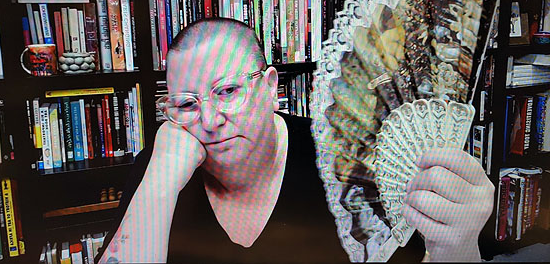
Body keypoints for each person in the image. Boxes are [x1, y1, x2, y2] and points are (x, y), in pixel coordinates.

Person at [96, 18, 495, 263]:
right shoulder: (163, 164)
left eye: (227, 91)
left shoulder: (346, 161)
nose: (210, 120)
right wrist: (159, 185)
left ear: (270, 88)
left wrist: (456, 249)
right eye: (186, 103)